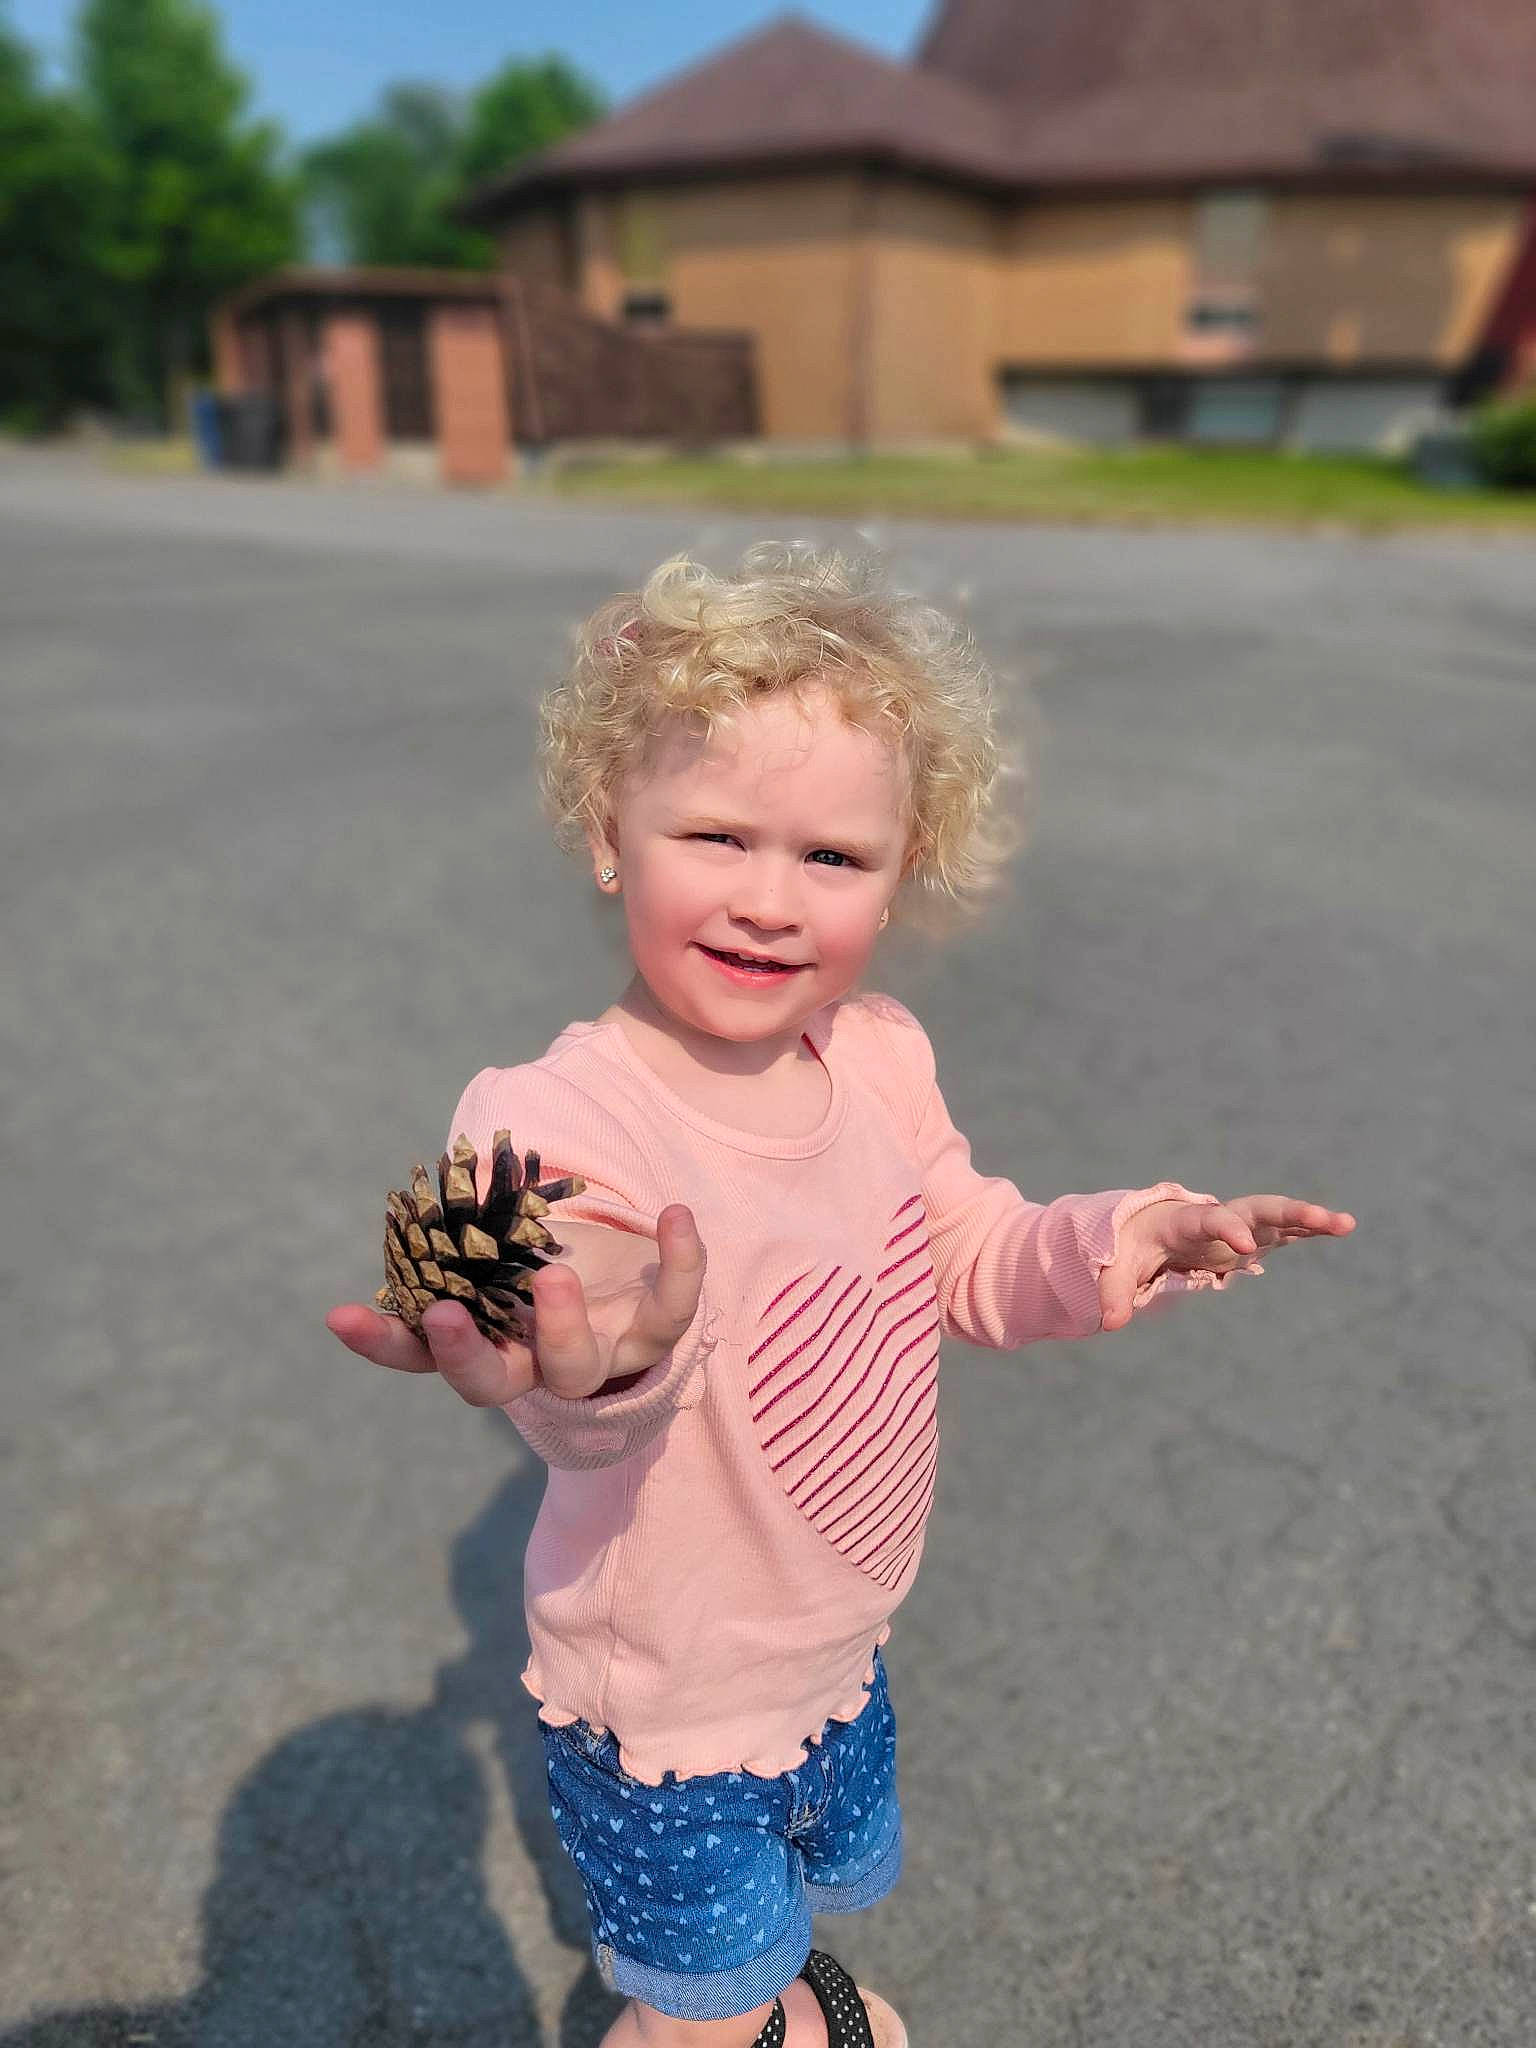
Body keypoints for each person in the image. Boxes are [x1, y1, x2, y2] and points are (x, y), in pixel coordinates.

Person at [326, 542, 1356, 2048]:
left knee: (790, 1906)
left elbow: (969, 1250)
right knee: (694, 2008)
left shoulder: (874, 1054)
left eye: (832, 858)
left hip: (833, 1642)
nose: (769, 900)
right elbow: (585, 1336)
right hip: (673, 1701)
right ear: (608, 832)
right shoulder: (559, 1121)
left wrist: (1124, 1235)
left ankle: (759, 1991)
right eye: (716, 836)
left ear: (903, 869)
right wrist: (604, 1354)